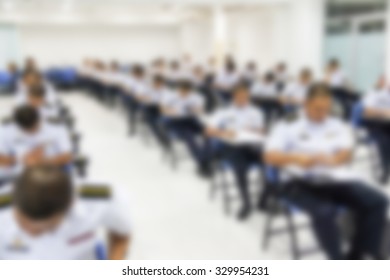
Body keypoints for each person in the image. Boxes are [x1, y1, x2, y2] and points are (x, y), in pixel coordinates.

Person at [264, 83, 388, 259]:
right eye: (318, 109)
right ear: (306, 103)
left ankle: (358, 254)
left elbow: (346, 152)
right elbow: (270, 157)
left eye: (327, 109)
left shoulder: (335, 124)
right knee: (325, 211)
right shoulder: (288, 123)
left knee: (378, 201)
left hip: (331, 178)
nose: (323, 114)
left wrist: (335, 159)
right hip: (296, 181)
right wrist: (296, 158)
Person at [0, 165, 131, 259]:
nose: (32, 234)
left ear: (70, 205)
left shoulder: (100, 199)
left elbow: (121, 234)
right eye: (23, 225)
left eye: (44, 229)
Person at [205, 83, 265, 219]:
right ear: (234, 97)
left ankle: (263, 201)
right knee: (240, 167)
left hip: (251, 146)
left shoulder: (256, 112)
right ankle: (246, 203)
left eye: (246, 97)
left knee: (272, 165)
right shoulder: (224, 112)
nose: (243, 100)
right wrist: (225, 132)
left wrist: (253, 131)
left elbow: (261, 131)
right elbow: (209, 131)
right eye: (240, 97)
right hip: (230, 147)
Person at [0, 105, 73, 181]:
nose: (31, 132)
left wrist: (42, 162)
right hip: (16, 176)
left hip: (50, 173)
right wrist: (22, 159)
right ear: (17, 125)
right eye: (27, 130)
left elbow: (67, 156)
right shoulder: (5, 131)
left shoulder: (57, 129)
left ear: (39, 119)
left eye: (34, 128)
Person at [161, 79, 207, 175]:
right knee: (190, 138)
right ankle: (201, 164)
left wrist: (195, 110)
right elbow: (164, 109)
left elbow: (200, 109)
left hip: (191, 120)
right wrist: (172, 111)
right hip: (176, 121)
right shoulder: (170, 96)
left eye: (186, 92)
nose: (184, 94)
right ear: (178, 89)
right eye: (182, 91)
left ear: (190, 90)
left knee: (209, 133)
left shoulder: (196, 97)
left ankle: (205, 157)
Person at [361, 85, 390, 184]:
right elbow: (367, 113)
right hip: (377, 126)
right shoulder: (376, 95)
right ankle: (384, 170)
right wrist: (385, 112)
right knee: (384, 139)